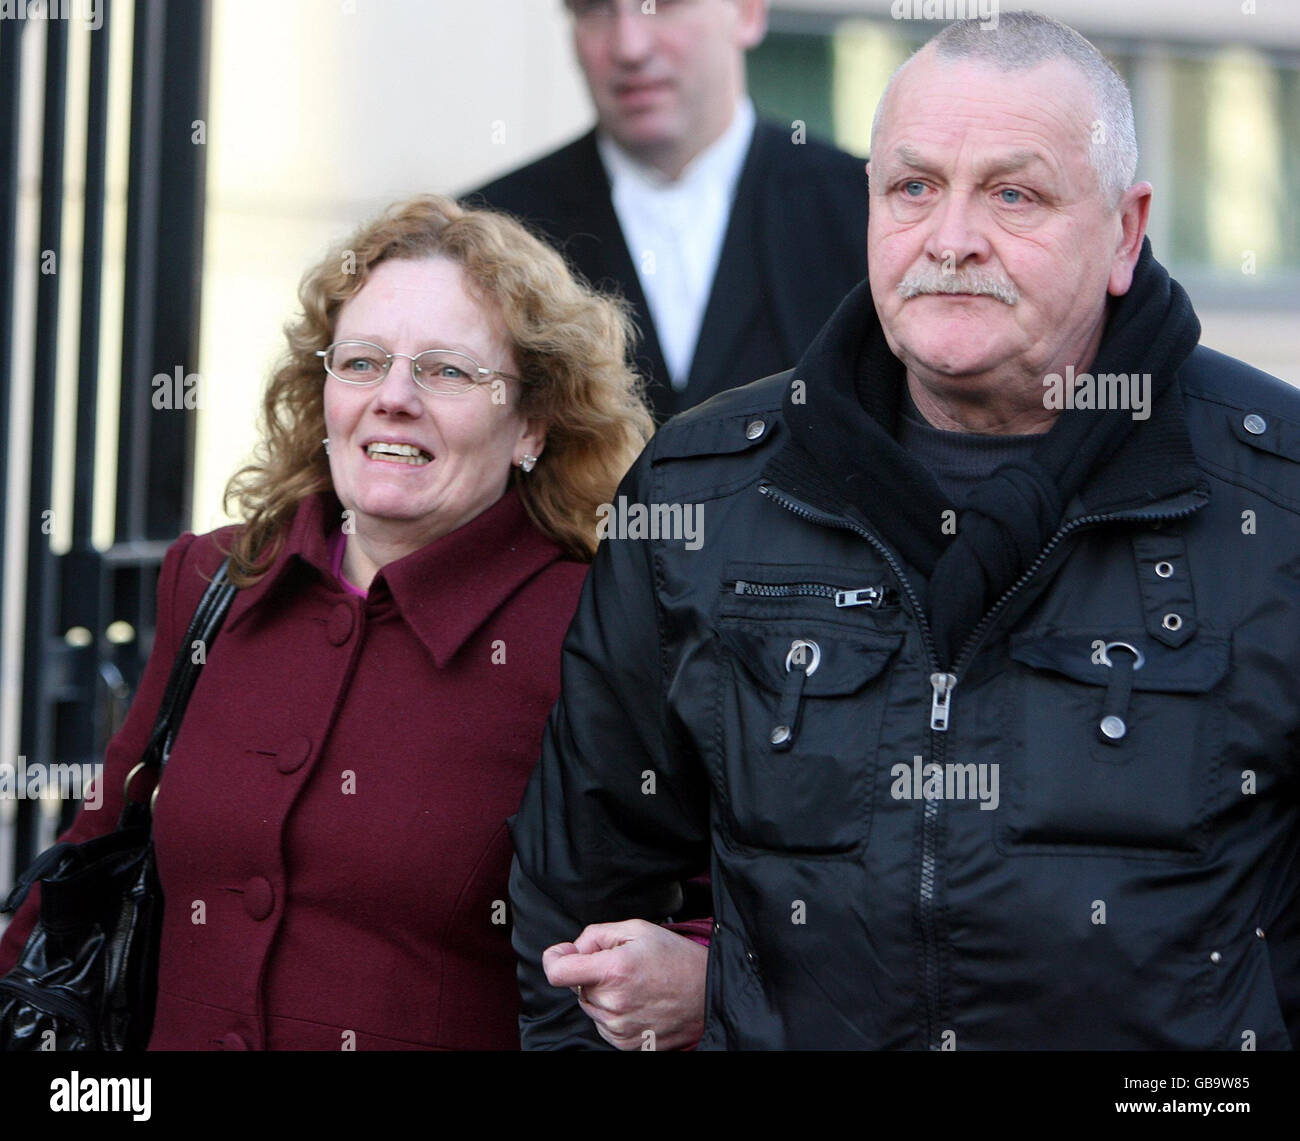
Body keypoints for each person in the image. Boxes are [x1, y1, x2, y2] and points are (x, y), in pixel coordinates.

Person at [509, 11, 1300, 1049]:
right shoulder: (705, 489)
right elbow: (578, 896)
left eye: (1012, 194)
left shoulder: (1274, 492)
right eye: (913, 188)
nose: (951, 237)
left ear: (1123, 228)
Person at [0, 193, 653, 1049]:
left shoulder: (595, 630)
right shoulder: (216, 579)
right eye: (363, 361)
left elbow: (703, 919)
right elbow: (89, 852)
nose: (393, 398)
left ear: (532, 421)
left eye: (448, 371)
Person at [470, 0, 868, 421]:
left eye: (664, 5)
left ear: (748, 13)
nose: (629, 47)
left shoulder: (869, 212)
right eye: (594, 9)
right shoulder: (492, 233)